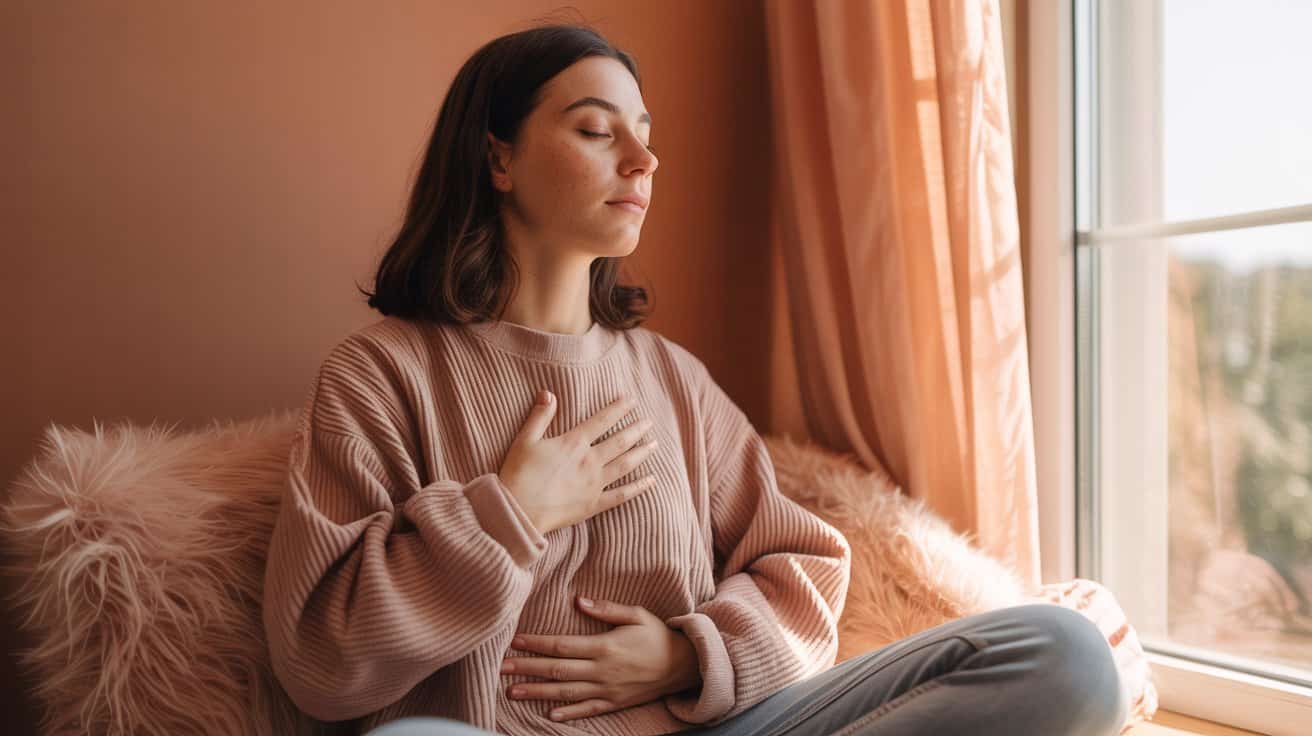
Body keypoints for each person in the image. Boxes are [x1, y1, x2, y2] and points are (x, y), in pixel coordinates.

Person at [260, 20, 1129, 736]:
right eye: (598, 131)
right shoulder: (381, 374)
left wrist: (689, 654)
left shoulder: (671, 377)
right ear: (499, 160)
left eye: (646, 136)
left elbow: (803, 564)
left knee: (1065, 653)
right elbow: (320, 659)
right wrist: (513, 513)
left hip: (717, 730)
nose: (643, 160)